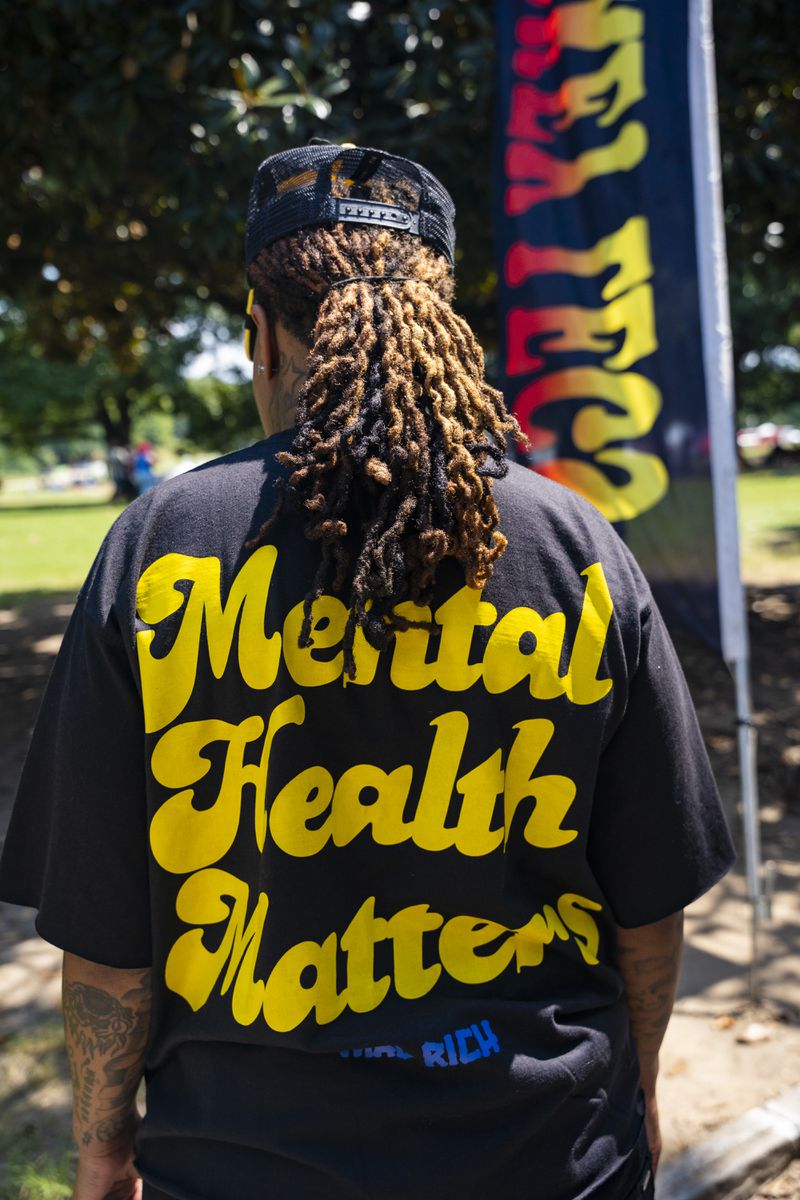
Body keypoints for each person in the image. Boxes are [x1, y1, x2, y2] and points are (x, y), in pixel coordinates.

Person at [0, 142, 735, 1200]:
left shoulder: (158, 544)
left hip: (241, 1164)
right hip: (547, 1150)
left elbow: (110, 938)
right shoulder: (573, 545)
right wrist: (641, 1091)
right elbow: (645, 903)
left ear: (258, 332)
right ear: (442, 319)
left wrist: (101, 1145)